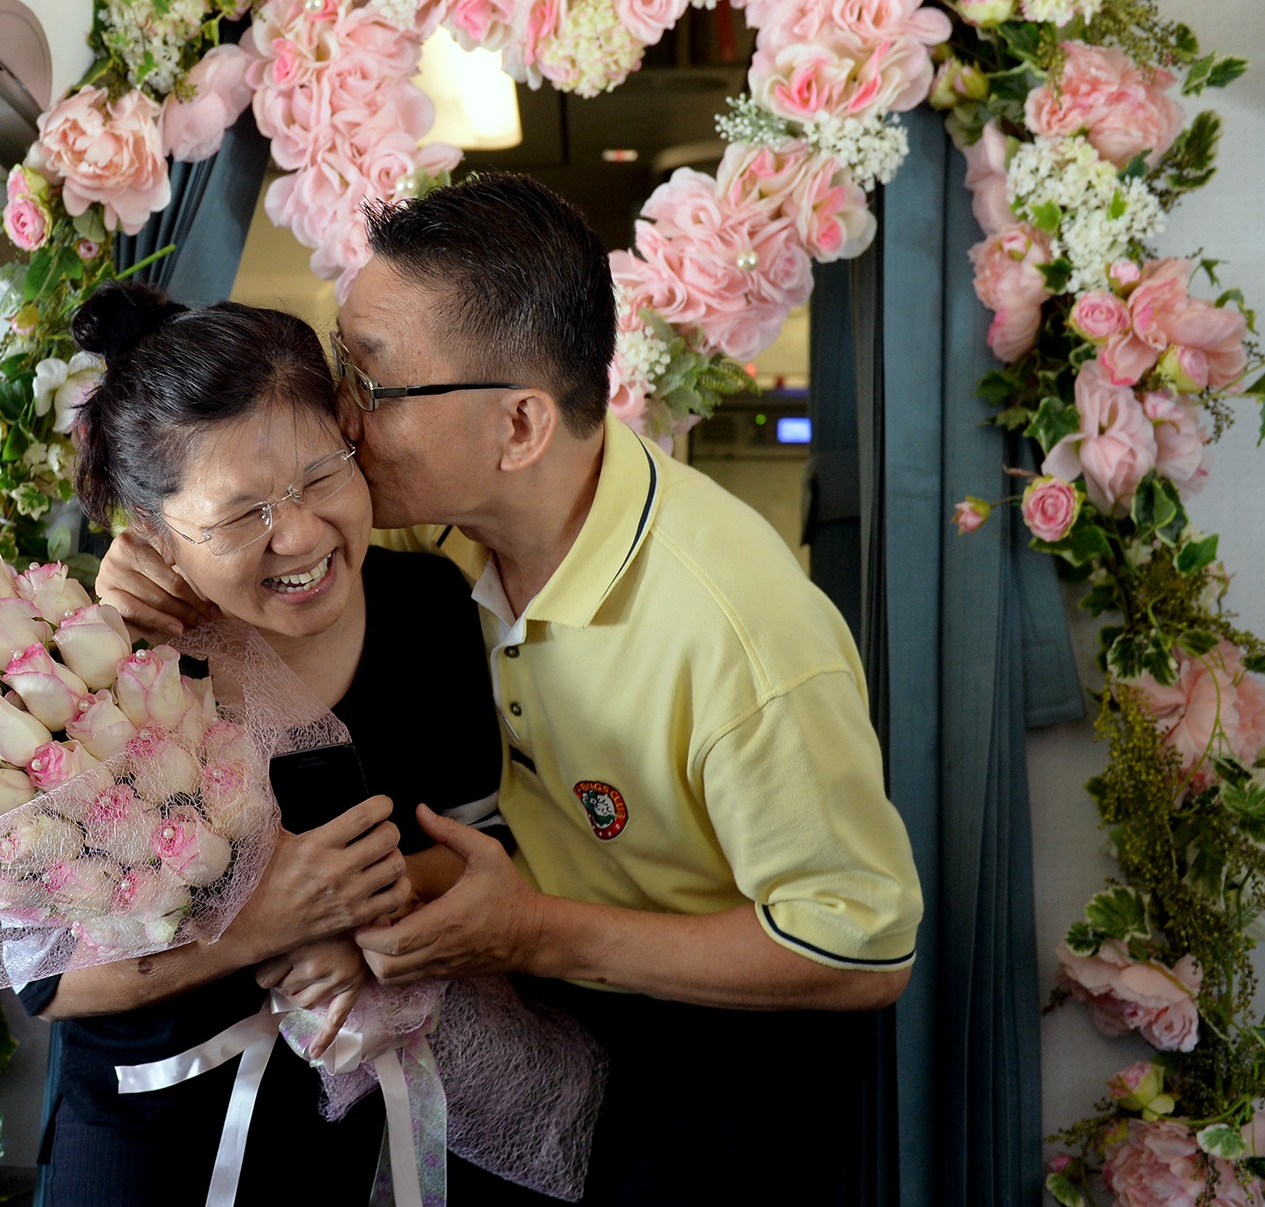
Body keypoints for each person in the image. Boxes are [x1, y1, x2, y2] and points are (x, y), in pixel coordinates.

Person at [96, 172, 925, 1204]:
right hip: (533, 1018)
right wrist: (140, 568)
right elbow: (249, 513)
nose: (341, 422)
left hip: (712, 1066)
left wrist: (532, 929)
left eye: (377, 387)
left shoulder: (734, 636)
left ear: (522, 427)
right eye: (344, 364)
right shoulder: (445, 518)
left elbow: (863, 951)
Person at [23, 281, 522, 1205]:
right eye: (241, 513)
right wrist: (258, 925)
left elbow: (478, 847)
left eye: (319, 477)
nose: (298, 534)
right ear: (153, 535)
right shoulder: (100, 664)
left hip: (355, 1119)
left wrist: (373, 920)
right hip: (143, 1135)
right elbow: (46, 982)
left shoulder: (430, 612)